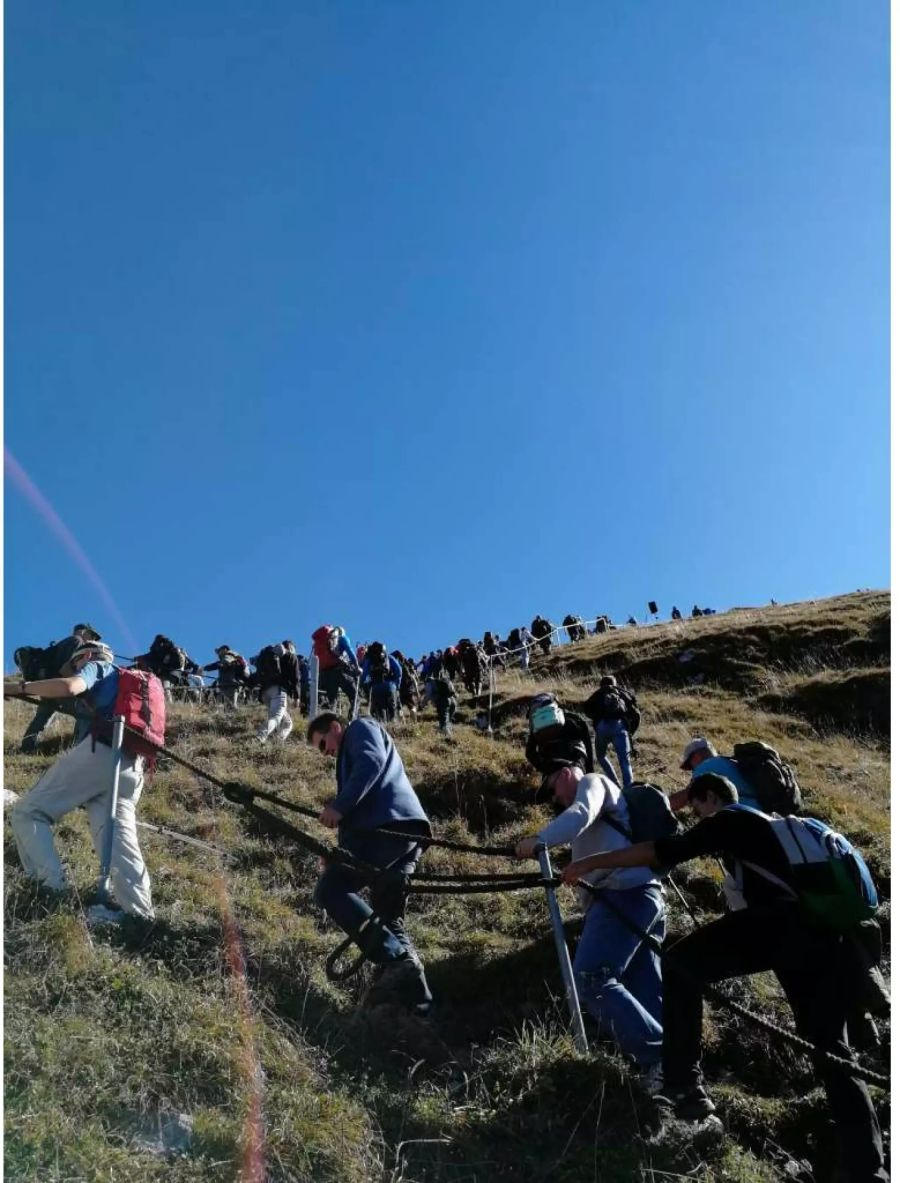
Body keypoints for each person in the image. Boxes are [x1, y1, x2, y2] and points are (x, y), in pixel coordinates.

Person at [562, 774, 888, 1181]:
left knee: (680, 965)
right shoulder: (781, 832)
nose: (697, 817)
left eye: (698, 808)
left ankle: (683, 1086)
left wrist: (589, 863)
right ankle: (865, 1167)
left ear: (712, 799)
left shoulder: (733, 820)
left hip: (784, 927)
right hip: (829, 940)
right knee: (831, 1050)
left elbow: (663, 851)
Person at [514, 757, 664, 1092]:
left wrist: (540, 840)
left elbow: (580, 813)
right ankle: (674, 1078)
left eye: (553, 790)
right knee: (644, 986)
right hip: (645, 895)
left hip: (622, 894)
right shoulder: (600, 810)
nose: (555, 800)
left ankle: (658, 1058)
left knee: (591, 977)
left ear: (566, 773)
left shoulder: (593, 783)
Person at [6, 640, 156, 921]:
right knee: (118, 838)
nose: (76, 667)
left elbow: (69, 687)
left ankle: (52, 891)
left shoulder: (98, 665)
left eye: (76, 662)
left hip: (102, 752)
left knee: (28, 812)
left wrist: (16, 688)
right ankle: (138, 913)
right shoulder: (129, 681)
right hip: (132, 766)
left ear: (85, 655)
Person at [306, 712, 432, 1013]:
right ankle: (422, 1008)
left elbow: (370, 764)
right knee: (389, 919)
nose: (327, 754)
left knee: (330, 890)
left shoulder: (360, 728)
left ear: (335, 728)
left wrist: (338, 806)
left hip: (387, 828)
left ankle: (394, 959)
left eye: (323, 745)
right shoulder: (351, 747)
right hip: (403, 835)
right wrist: (340, 851)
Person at [18, 623, 102, 753]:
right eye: (93, 636)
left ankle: (27, 747)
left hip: (48, 685)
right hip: (60, 686)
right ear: (84, 632)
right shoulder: (77, 641)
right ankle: (76, 748)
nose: (93, 640)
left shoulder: (64, 644)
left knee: (42, 716)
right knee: (83, 711)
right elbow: (69, 669)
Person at [670, 737, 757, 810]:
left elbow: (678, 801)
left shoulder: (705, 766)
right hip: (764, 817)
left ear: (696, 756)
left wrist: (662, 803)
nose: (693, 771)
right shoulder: (729, 763)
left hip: (743, 818)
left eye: (691, 766)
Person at [583, 675, 636, 789]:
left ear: (601, 684)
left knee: (601, 756)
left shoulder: (598, 694)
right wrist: (630, 731)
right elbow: (636, 714)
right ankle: (628, 788)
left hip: (602, 728)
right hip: (620, 727)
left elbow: (586, 708)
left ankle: (615, 783)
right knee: (624, 760)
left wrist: (596, 719)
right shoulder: (622, 693)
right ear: (615, 683)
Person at [525, 693, 595, 775]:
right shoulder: (575, 719)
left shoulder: (537, 726)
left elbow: (530, 753)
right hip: (576, 759)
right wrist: (590, 770)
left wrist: (545, 767)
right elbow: (588, 745)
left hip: (552, 763)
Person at [311, 625, 361, 714]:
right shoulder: (342, 638)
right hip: (339, 671)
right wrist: (357, 667)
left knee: (332, 702)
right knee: (355, 695)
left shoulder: (321, 642)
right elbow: (350, 652)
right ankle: (352, 717)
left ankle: (332, 721)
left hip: (325, 673)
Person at [255, 643, 295, 744]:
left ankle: (277, 742)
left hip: (265, 692)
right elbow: (295, 677)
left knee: (287, 722)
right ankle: (260, 736)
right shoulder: (286, 657)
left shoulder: (266, 656)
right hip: (278, 691)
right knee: (276, 718)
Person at [361, 642, 402, 722]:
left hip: (376, 688)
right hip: (390, 687)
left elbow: (364, 675)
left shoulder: (370, 659)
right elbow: (399, 670)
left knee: (378, 714)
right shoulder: (389, 658)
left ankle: (382, 728)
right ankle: (393, 727)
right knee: (392, 711)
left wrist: (366, 687)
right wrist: (397, 684)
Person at [424, 663, 457, 736]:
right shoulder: (442, 681)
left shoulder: (429, 683)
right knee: (448, 719)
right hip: (452, 701)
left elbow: (428, 695)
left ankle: (447, 737)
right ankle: (445, 732)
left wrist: (423, 704)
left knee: (443, 719)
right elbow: (453, 691)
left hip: (443, 702)